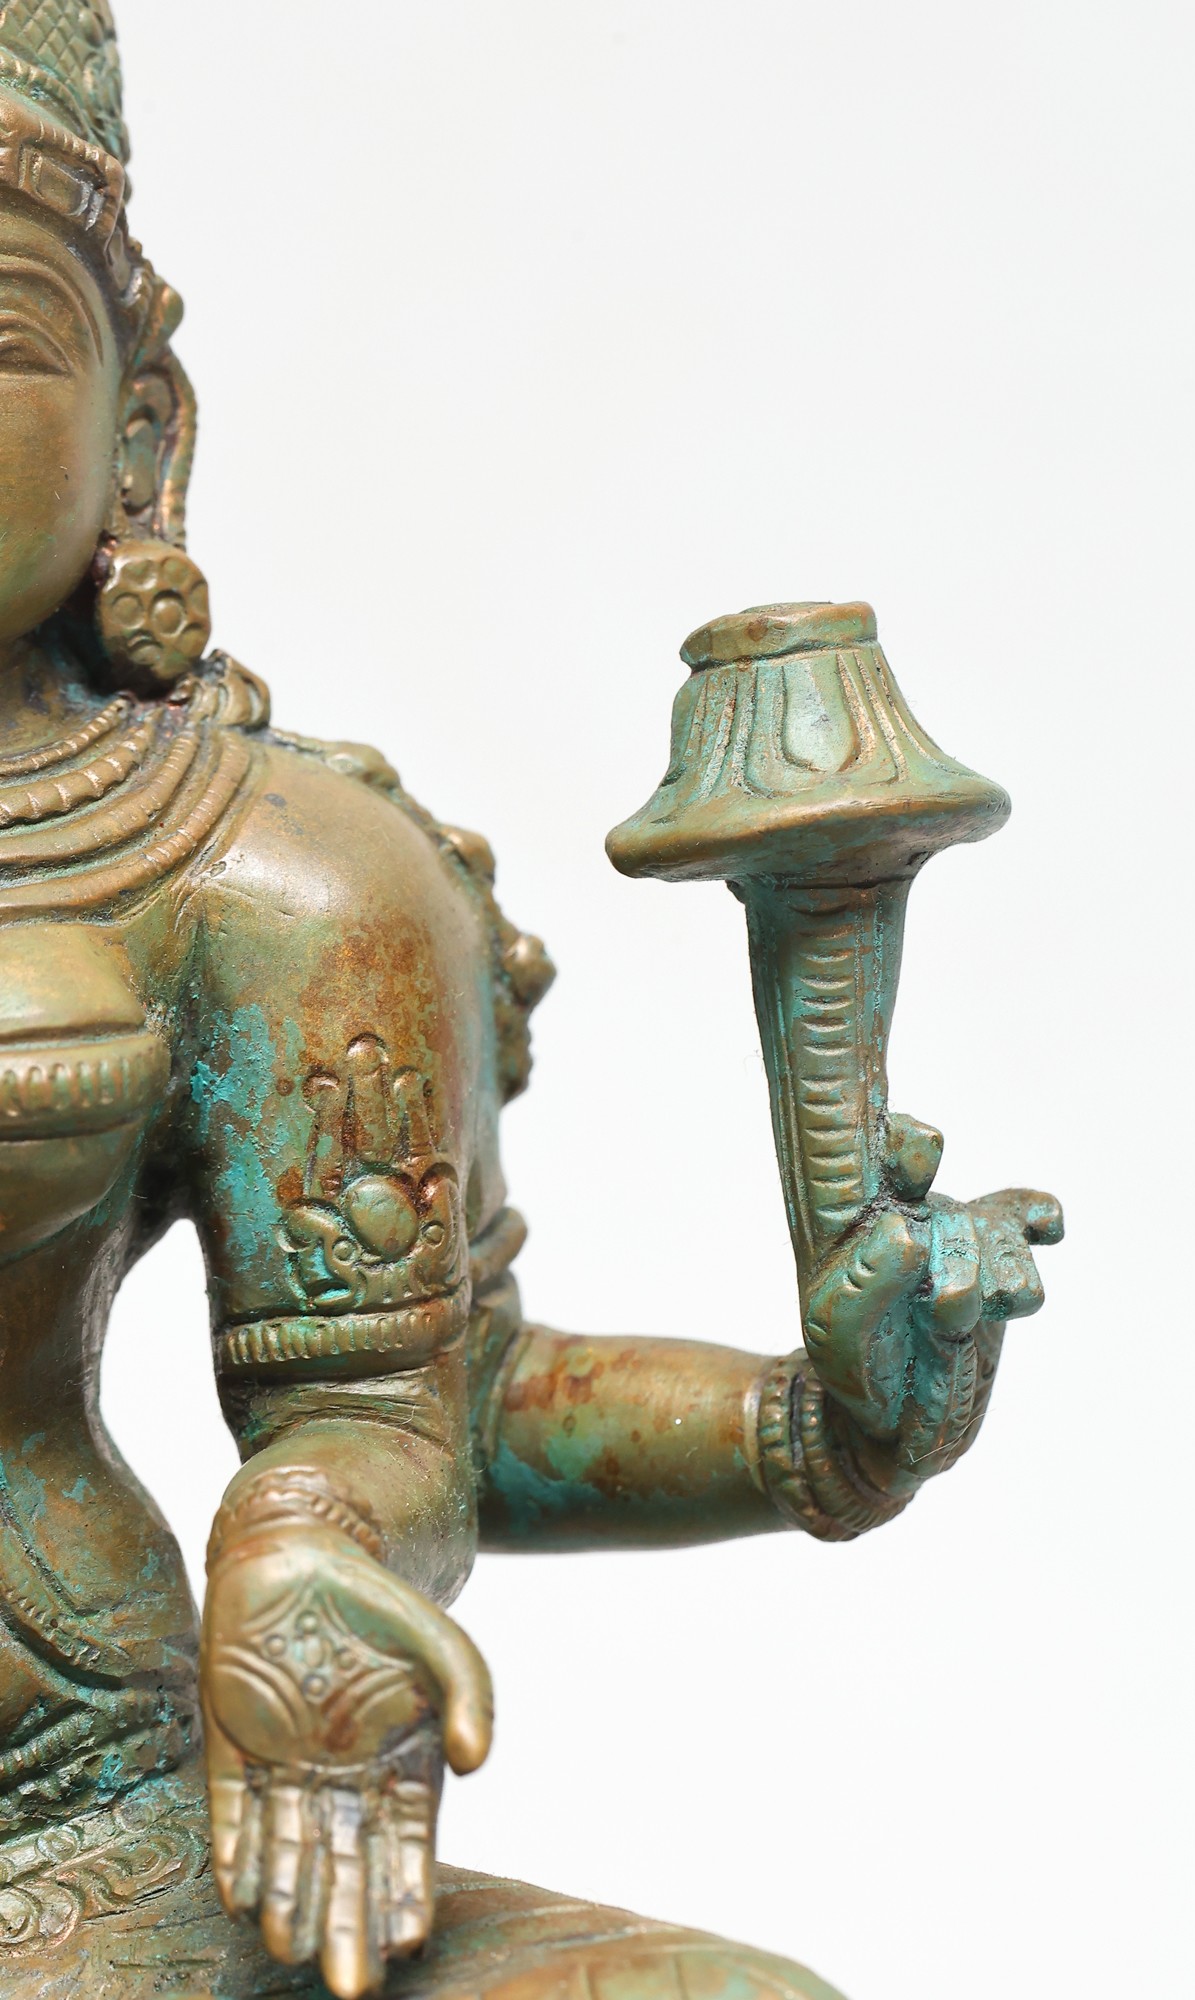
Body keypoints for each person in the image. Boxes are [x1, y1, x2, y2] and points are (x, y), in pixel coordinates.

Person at [0, 7, 1060, 1995]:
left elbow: (416, 1407)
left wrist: (816, 1425)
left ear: (143, 433)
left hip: (81, 1819)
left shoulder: (269, 881)